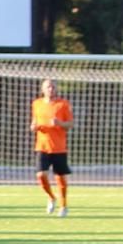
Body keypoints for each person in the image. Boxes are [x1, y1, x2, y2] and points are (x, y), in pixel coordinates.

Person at [30, 78, 74, 217]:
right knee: (40, 175)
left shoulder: (63, 104)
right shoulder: (36, 104)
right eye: (48, 87)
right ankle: (51, 197)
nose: (51, 89)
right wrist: (33, 127)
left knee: (60, 178)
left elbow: (70, 124)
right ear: (42, 89)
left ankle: (63, 206)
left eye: (53, 87)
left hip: (59, 147)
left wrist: (59, 123)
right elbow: (34, 122)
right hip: (42, 146)